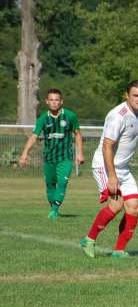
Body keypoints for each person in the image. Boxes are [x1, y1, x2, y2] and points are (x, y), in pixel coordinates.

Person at [80, 81, 138, 258]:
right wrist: (112, 177)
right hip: (106, 166)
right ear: (127, 96)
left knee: (134, 208)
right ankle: (89, 239)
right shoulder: (118, 116)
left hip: (123, 168)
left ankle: (118, 250)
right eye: (135, 96)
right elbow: (107, 146)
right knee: (116, 205)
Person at [18, 89, 84, 220]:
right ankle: (54, 208)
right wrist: (24, 153)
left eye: (57, 100)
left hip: (65, 157)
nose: (54, 102)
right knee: (50, 185)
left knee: (62, 182)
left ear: (61, 101)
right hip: (49, 158)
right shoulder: (43, 118)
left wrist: (80, 153)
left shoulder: (70, 116)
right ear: (47, 102)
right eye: (52, 100)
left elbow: (77, 134)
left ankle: (54, 210)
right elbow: (34, 136)